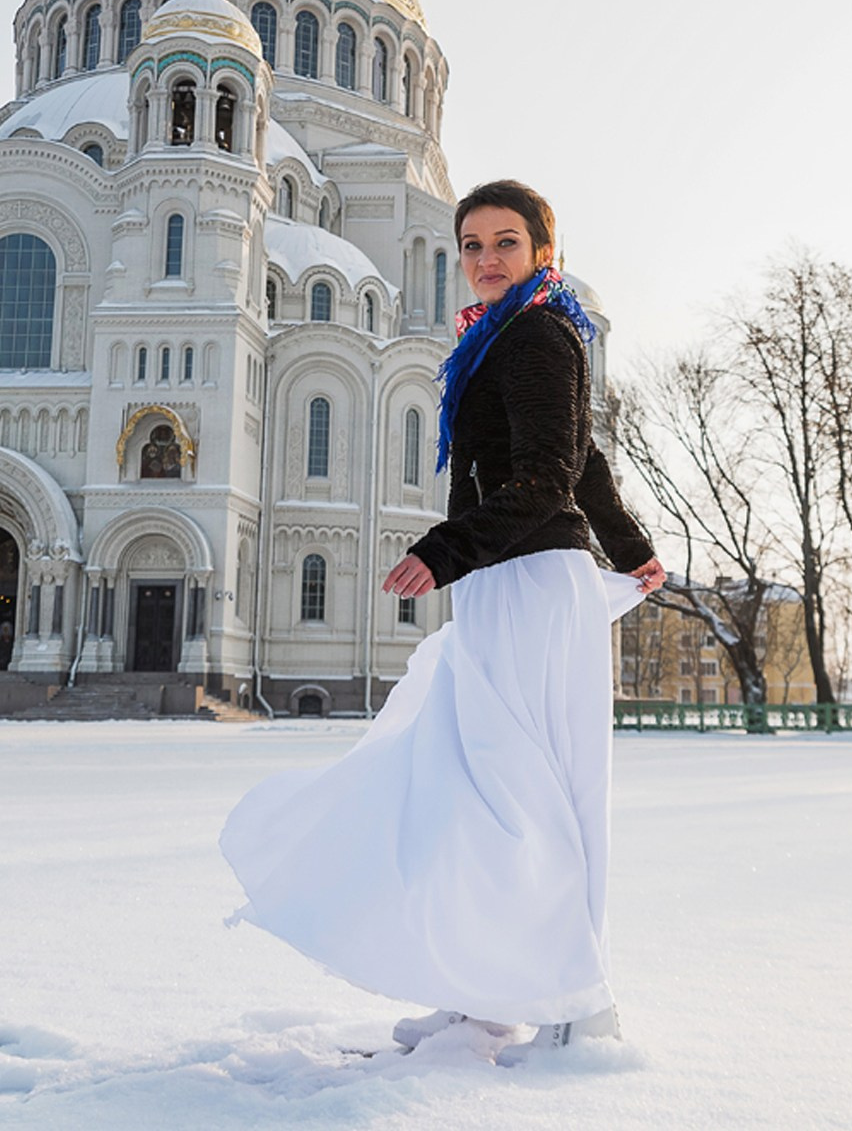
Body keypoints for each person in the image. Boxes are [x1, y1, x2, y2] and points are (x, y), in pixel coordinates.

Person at [219, 179, 665, 1065]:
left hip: (530, 581)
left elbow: (551, 473)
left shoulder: (538, 333)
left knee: (526, 794)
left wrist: (446, 548)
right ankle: (484, 995)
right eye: (472, 245)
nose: (486, 259)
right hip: (508, 578)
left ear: (543, 252)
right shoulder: (502, 335)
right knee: (472, 791)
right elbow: (582, 459)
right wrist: (629, 544)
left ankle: (580, 1006)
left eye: (506, 242)